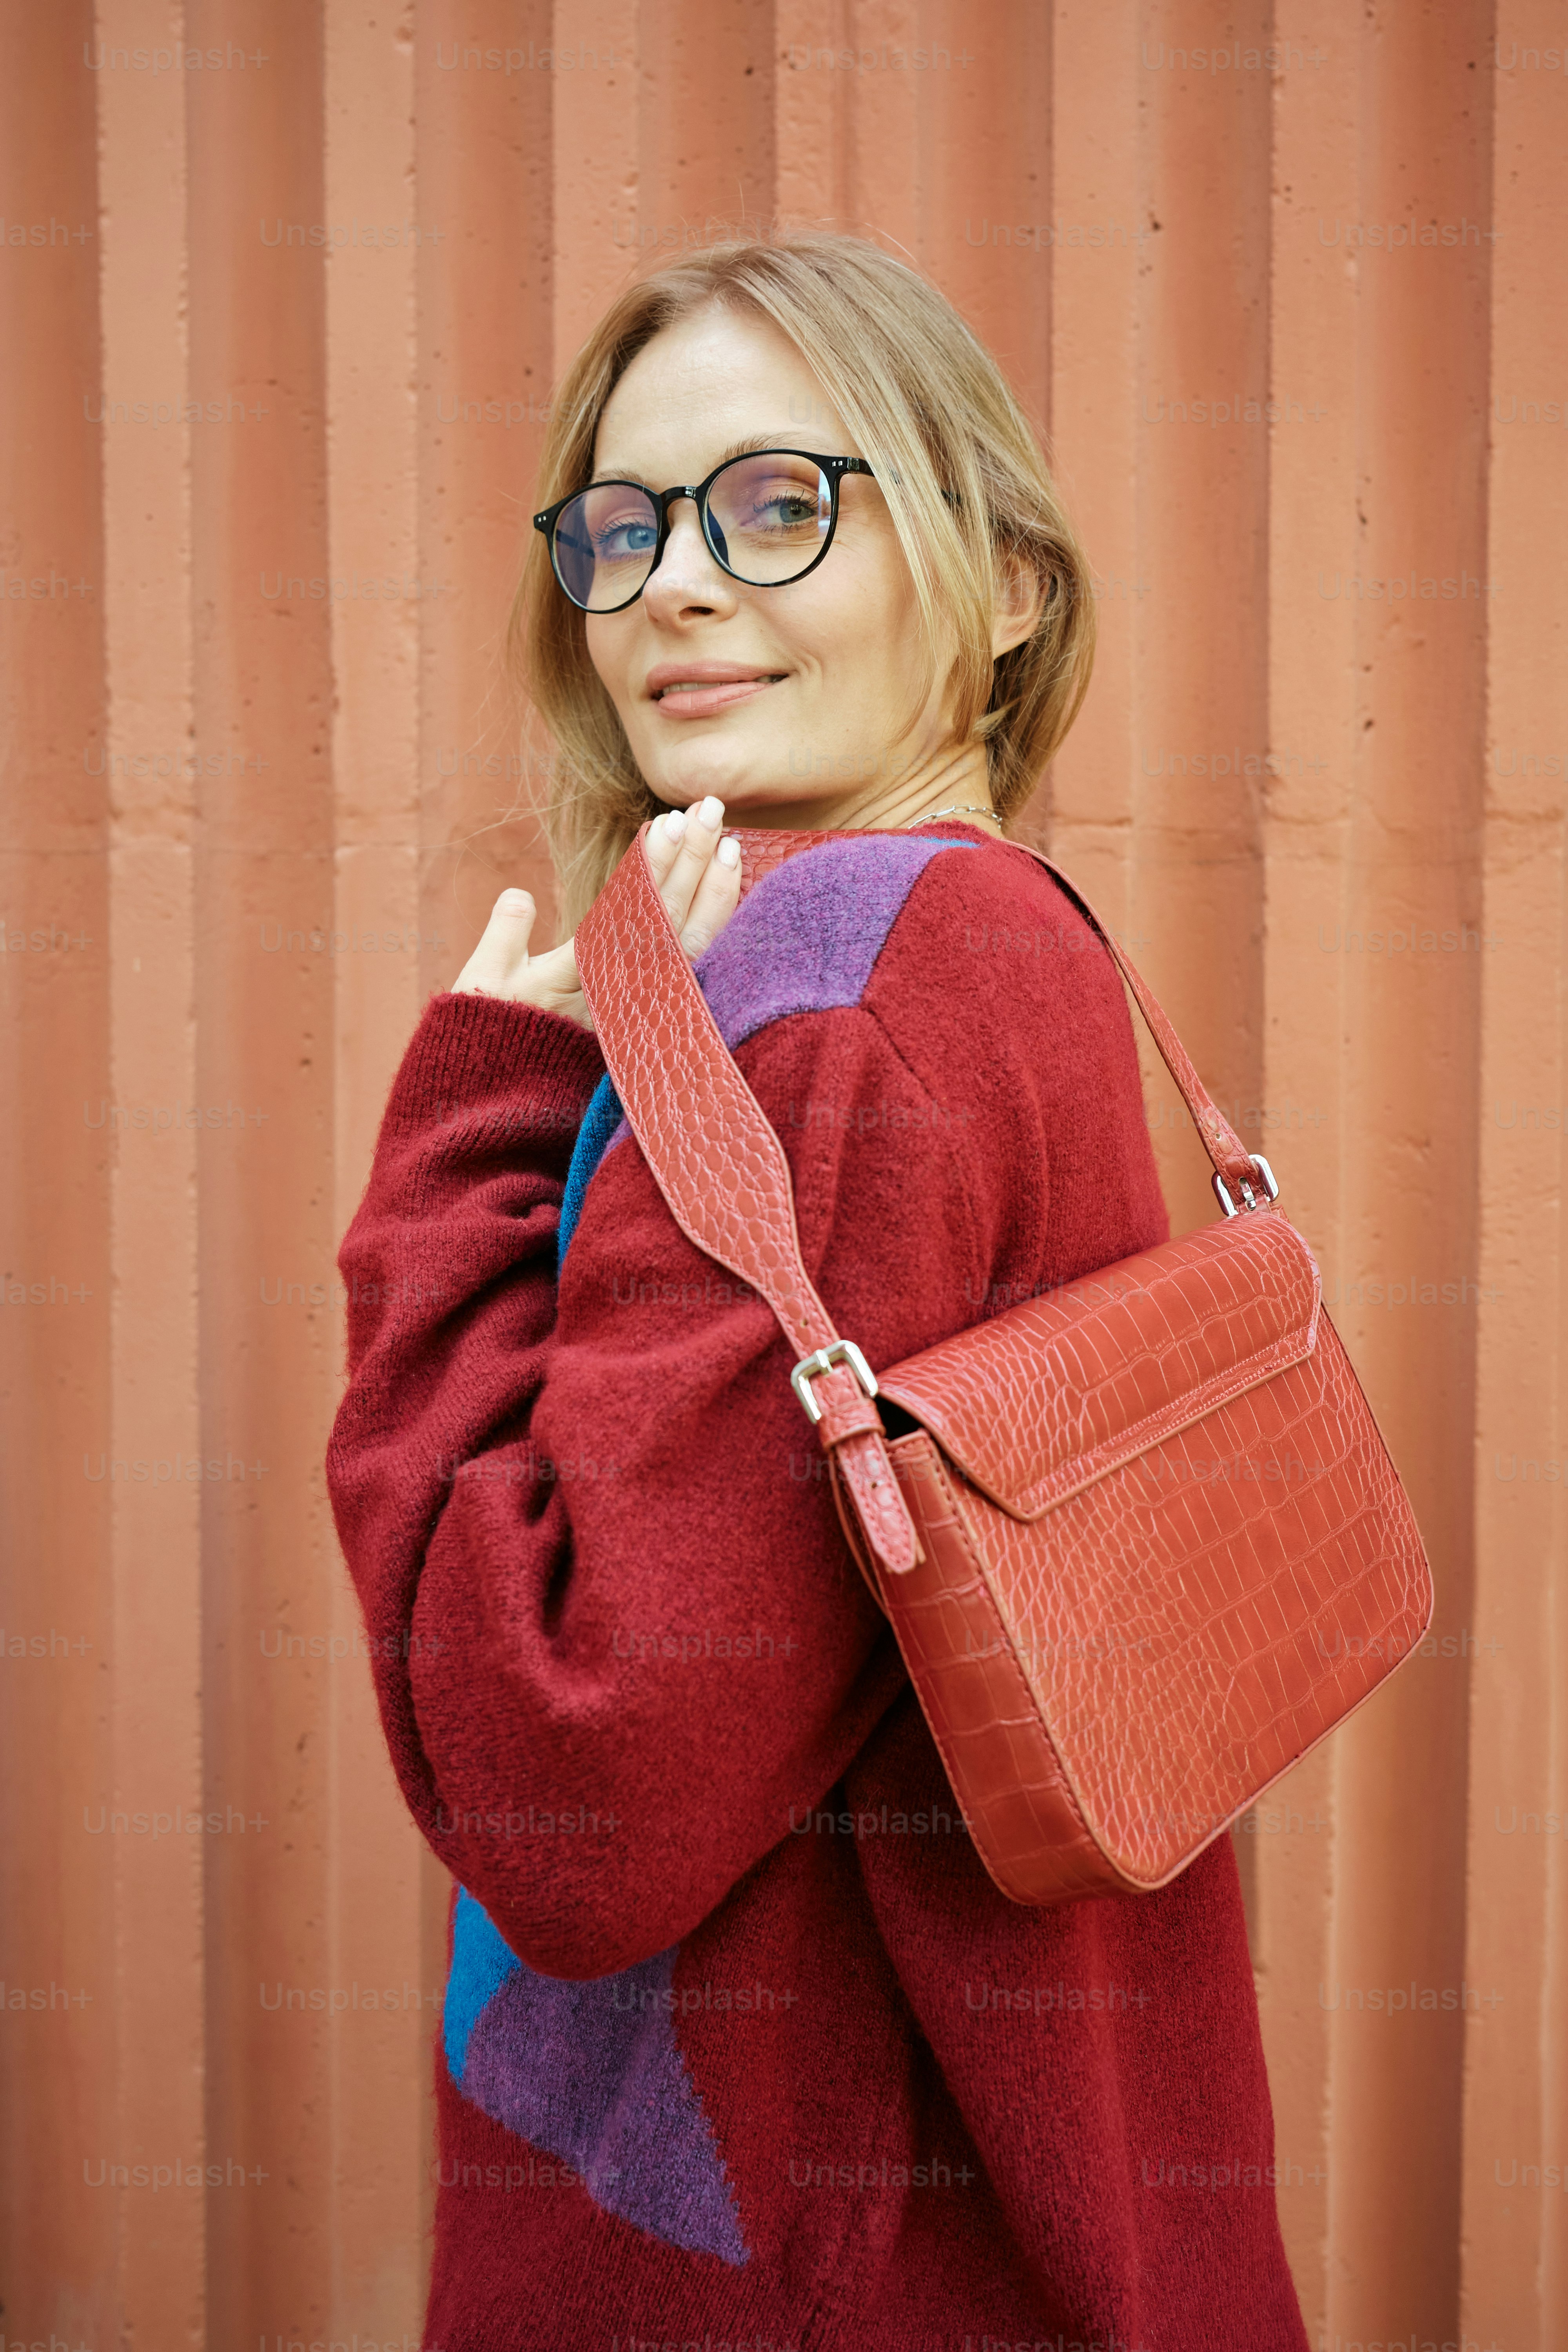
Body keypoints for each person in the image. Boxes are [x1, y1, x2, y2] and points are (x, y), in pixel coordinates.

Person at [326, 233, 1309, 2350]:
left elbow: (573, 1790)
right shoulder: (999, 930)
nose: (676, 581)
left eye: (782, 504)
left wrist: (469, 1157)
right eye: (623, 523)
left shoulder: (826, 995)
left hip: (790, 2277)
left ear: (1009, 582)